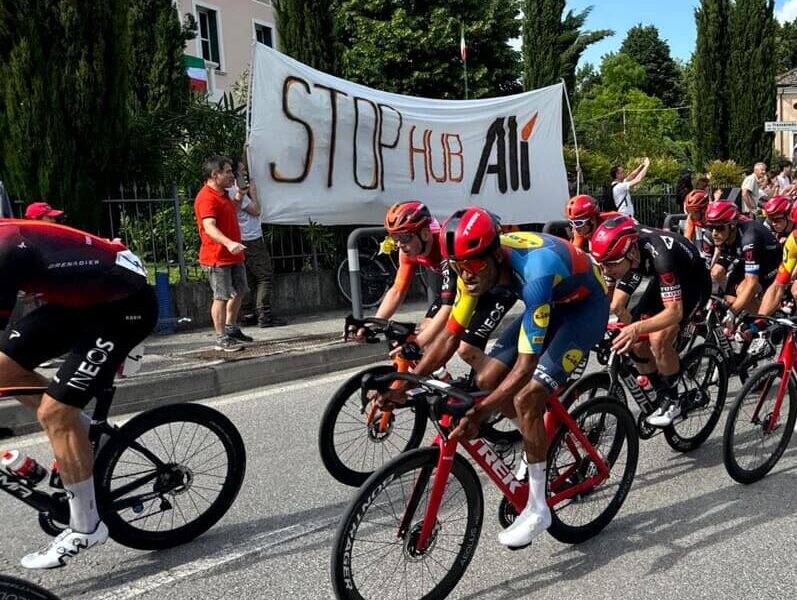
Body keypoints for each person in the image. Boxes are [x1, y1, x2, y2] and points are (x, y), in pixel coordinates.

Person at [392, 207, 609, 548]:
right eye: (459, 268)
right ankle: (534, 435)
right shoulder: (474, 266)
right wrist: (405, 384)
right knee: (488, 379)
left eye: (474, 266)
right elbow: (450, 336)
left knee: (527, 397)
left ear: (495, 255)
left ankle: (538, 507)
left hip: (583, 307)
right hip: (550, 299)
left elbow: (524, 367)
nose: (467, 276)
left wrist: (481, 413)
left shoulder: (535, 274)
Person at [0, 219, 158, 568]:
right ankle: (85, 434)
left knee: (55, 414)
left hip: (123, 310)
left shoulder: (4, 251)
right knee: (3, 369)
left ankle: (87, 527)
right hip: (83, 301)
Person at [591, 216, 711, 427]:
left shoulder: (661, 256)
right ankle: (661, 392)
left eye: (611, 265)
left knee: (658, 339)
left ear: (631, 252)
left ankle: (674, 400)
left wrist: (636, 327)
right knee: (635, 342)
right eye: (602, 265)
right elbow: (608, 298)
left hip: (693, 282)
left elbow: (674, 312)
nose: (607, 271)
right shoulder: (619, 254)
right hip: (660, 278)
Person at [194, 156, 253, 352]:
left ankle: (231, 328)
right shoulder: (206, 197)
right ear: (215, 174)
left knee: (240, 290)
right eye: (227, 172)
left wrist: (240, 196)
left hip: (233, 253)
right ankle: (221, 336)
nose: (231, 176)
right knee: (221, 296)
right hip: (217, 256)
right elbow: (209, 227)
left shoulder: (224, 194)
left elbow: (231, 212)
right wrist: (229, 243)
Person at [705, 201, 780, 316]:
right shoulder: (721, 233)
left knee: (743, 290)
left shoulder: (749, 238)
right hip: (744, 256)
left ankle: (763, 320)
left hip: (769, 261)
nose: (714, 233)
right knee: (730, 297)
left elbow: (751, 283)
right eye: (710, 227)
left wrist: (732, 312)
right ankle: (751, 310)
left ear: (732, 226)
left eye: (719, 228)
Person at [232, 161, 284, 328]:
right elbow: (256, 210)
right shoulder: (236, 191)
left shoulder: (229, 190)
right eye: (241, 172)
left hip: (241, 239)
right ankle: (264, 314)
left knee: (247, 277)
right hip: (250, 238)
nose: (245, 174)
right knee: (264, 276)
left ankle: (247, 313)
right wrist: (253, 193)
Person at [759, 201, 797, 315]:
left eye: (777, 220)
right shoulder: (793, 240)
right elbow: (777, 286)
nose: (774, 224)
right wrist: (760, 320)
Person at [682, 189, 714, 268]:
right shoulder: (692, 219)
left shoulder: (714, 220)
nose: (691, 214)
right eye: (689, 210)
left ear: (704, 209)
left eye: (694, 211)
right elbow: (686, 242)